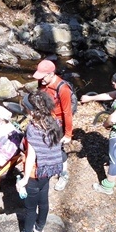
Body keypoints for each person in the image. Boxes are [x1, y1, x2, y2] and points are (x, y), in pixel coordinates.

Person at [12, 91, 63, 232]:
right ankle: (39, 229)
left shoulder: (33, 129)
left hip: (35, 172)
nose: (25, 111)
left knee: (30, 207)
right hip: (48, 170)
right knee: (44, 202)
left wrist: (25, 180)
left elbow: (31, 157)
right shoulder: (55, 122)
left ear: (33, 111)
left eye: (26, 109)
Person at [32, 59, 73, 191]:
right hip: (45, 119)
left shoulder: (63, 88)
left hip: (58, 123)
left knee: (58, 149)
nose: (41, 80)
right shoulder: (43, 82)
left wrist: (68, 134)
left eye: (43, 77)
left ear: (51, 74)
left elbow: (67, 112)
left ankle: (64, 174)